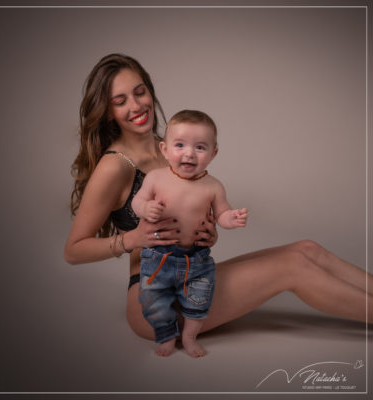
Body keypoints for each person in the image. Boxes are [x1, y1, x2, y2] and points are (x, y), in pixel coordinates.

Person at [64, 53, 373, 354]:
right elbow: (73, 250)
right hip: (158, 297)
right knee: (293, 268)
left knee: (307, 249)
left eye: (140, 92)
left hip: (192, 273)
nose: (136, 105)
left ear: (149, 89)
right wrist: (132, 239)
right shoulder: (116, 166)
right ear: (107, 111)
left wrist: (209, 231)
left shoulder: (171, 148)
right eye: (120, 101)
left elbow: (197, 208)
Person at [131, 109, 248, 357]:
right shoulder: (155, 178)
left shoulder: (213, 186)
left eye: (200, 147)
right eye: (180, 145)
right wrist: (146, 208)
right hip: (158, 257)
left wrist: (231, 218)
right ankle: (166, 336)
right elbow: (137, 202)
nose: (189, 153)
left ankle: (189, 336)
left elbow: (221, 214)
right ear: (164, 149)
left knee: (198, 302)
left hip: (196, 259)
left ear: (213, 153)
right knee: (153, 301)